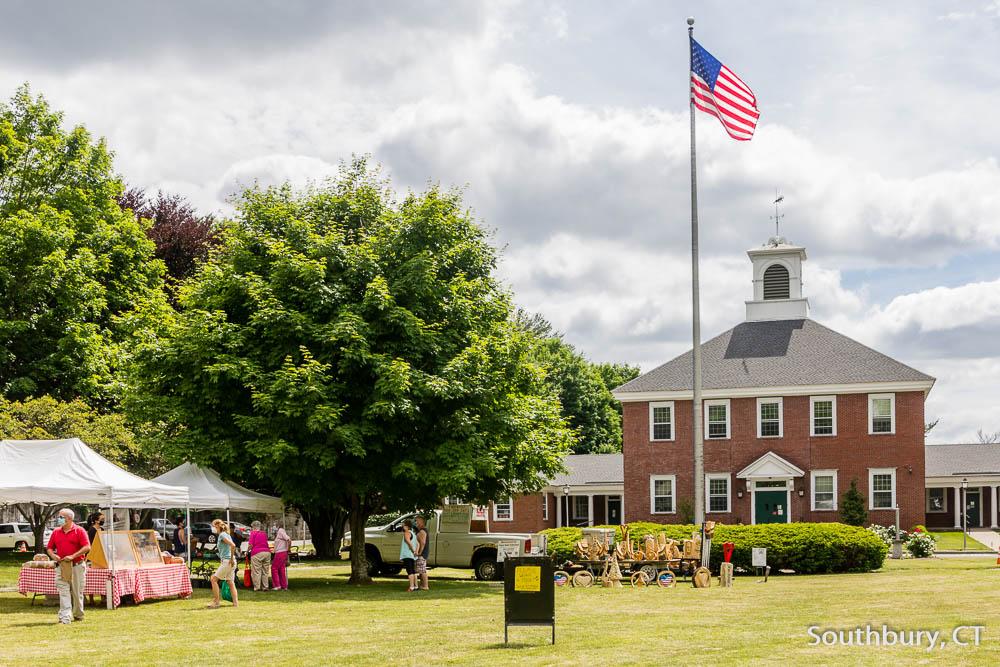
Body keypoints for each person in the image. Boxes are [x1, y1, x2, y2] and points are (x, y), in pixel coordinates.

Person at [46, 508, 91, 624]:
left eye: (61, 517)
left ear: (69, 519)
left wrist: (73, 556)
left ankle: (78, 614)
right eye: (59, 517)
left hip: (77, 565)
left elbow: (87, 547)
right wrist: (53, 555)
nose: (58, 519)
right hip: (61, 566)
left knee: (77, 593)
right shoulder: (56, 532)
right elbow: (49, 548)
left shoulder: (80, 531)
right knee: (63, 591)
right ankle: (65, 617)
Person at [207, 519, 238, 609]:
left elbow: (233, 545)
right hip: (230, 561)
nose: (214, 528)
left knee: (213, 579)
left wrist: (231, 559)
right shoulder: (227, 534)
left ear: (218, 527)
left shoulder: (222, 535)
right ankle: (236, 604)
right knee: (231, 582)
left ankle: (216, 602)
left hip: (228, 561)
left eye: (214, 526)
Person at [247, 520, 271, 591]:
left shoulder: (253, 533)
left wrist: (247, 551)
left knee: (256, 571)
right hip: (267, 552)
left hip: (257, 553)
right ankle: (265, 587)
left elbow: (250, 545)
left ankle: (257, 587)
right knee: (265, 571)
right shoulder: (264, 533)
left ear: (253, 527)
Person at [270, 525, 291, 591]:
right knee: (281, 569)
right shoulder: (280, 532)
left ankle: (277, 585)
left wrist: (288, 549)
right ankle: (284, 586)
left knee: (274, 568)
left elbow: (289, 539)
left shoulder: (280, 531)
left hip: (280, 553)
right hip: (282, 552)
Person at [399, 518, 417, 592]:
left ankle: (411, 587)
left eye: (403, 524)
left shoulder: (407, 533)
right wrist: (416, 552)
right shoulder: (413, 533)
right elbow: (418, 544)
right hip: (412, 555)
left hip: (407, 554)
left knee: (410, 571)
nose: (402, 526)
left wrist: (413, 550)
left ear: (406, 525)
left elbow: (408, 542)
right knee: (413, 571)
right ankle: (415, 586)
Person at [414, 515, 430, 591]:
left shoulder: (422, 531)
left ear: (421, 522)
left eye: (417, 521)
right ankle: (422, 585)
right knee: (420, 570)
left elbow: (422, 543)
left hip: (422, 554)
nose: (415, 522)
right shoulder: (421, 531)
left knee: (422, 570)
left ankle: (426, 586)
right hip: (422, 553)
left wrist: (419, 552)